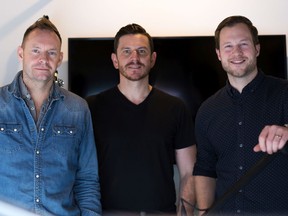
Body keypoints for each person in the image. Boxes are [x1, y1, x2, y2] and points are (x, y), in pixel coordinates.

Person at [86, 23, 196, 215]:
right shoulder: (91, 107)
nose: (134, 58)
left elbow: (188, 172)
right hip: (108, 213)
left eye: (141, 51)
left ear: (152, 59)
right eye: (126, 51)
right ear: (115, 60)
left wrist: (184, 213)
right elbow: (81, 172)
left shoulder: (176, 108)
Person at [0, 16, 101, 215]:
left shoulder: (78, 109)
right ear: (22, 53)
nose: (43, 60)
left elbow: (87, 179)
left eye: (51, 53)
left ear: (59, 58)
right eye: (35, 51)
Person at [193, 15, 288, 216]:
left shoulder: (285, 92)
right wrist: (203, 211)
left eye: (243, 44)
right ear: (219, 54)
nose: (236, 52)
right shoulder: (206, 110)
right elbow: (205, 168)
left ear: (257, 48)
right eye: (228, 46)